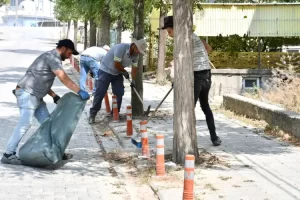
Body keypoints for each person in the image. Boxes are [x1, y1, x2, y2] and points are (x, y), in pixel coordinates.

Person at [1, 39, 90, 165]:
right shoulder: (52, 57)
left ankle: (56, 151)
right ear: (64, 48)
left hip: (35, 95)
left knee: (49, 124)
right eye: (70, 52)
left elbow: (40, 79)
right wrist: (79, 91)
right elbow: (63, 77)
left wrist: (54, 95)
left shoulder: (51, 57)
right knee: (25, 123)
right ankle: (8, 154)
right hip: (27, 94)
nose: (70, 55)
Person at [161, 16, 222, 146]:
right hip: (207, 74)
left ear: (176, 28)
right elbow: (208, 48)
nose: (169, 34)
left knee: (188, 108)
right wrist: (200, 58)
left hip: (198, 76)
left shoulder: (183, 39)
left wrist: (178, 78)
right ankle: (214, 138)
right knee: (205, 107)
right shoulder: (193, 35)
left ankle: (186, 141)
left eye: (170, 31)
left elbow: (182, 61)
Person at [88, 39, 148, 124]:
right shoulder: (121, 48)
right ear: (134, 45)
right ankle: (92, 114)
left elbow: (134, 69)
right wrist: (124, 72)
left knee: (119, 92)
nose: (138, 52)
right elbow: (116, 64)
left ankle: (115, 113)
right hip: (105, 70)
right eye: (138, 50)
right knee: (100, 92)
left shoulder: (136, 55)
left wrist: (133, 80)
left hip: (117, 73)